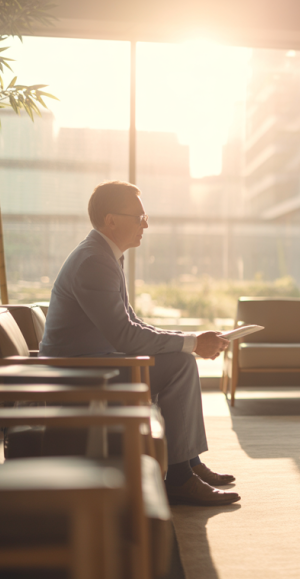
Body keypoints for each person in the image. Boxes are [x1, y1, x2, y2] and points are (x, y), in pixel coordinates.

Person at [40, 180, 240, 507]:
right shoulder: (93, 262)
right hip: (81, 373)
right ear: (111, 220)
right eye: (140, 216)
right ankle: (179, 476)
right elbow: (125, 336)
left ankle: (187, 464)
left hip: (98, 363)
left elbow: (132, 323)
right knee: (180, 363)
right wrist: (191, 344)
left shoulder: (104, 256)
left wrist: (189, 342)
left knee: (180, 361)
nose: (146, 224)